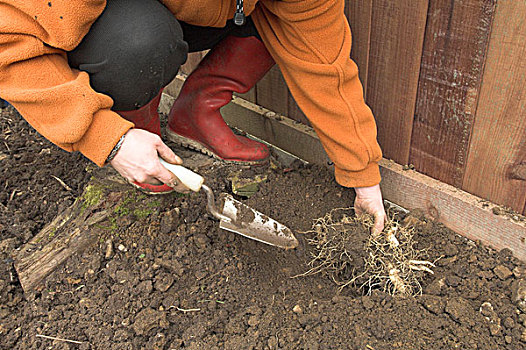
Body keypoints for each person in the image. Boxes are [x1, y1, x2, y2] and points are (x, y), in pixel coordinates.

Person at [0, 0, 386, 234]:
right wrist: (109, 138)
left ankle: (195, 113)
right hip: (108, 24)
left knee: (280, 25)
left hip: (202, 11)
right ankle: (140, 133)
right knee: (139, 42)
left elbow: (324, 65)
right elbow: (10, 43)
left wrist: (362, 175)